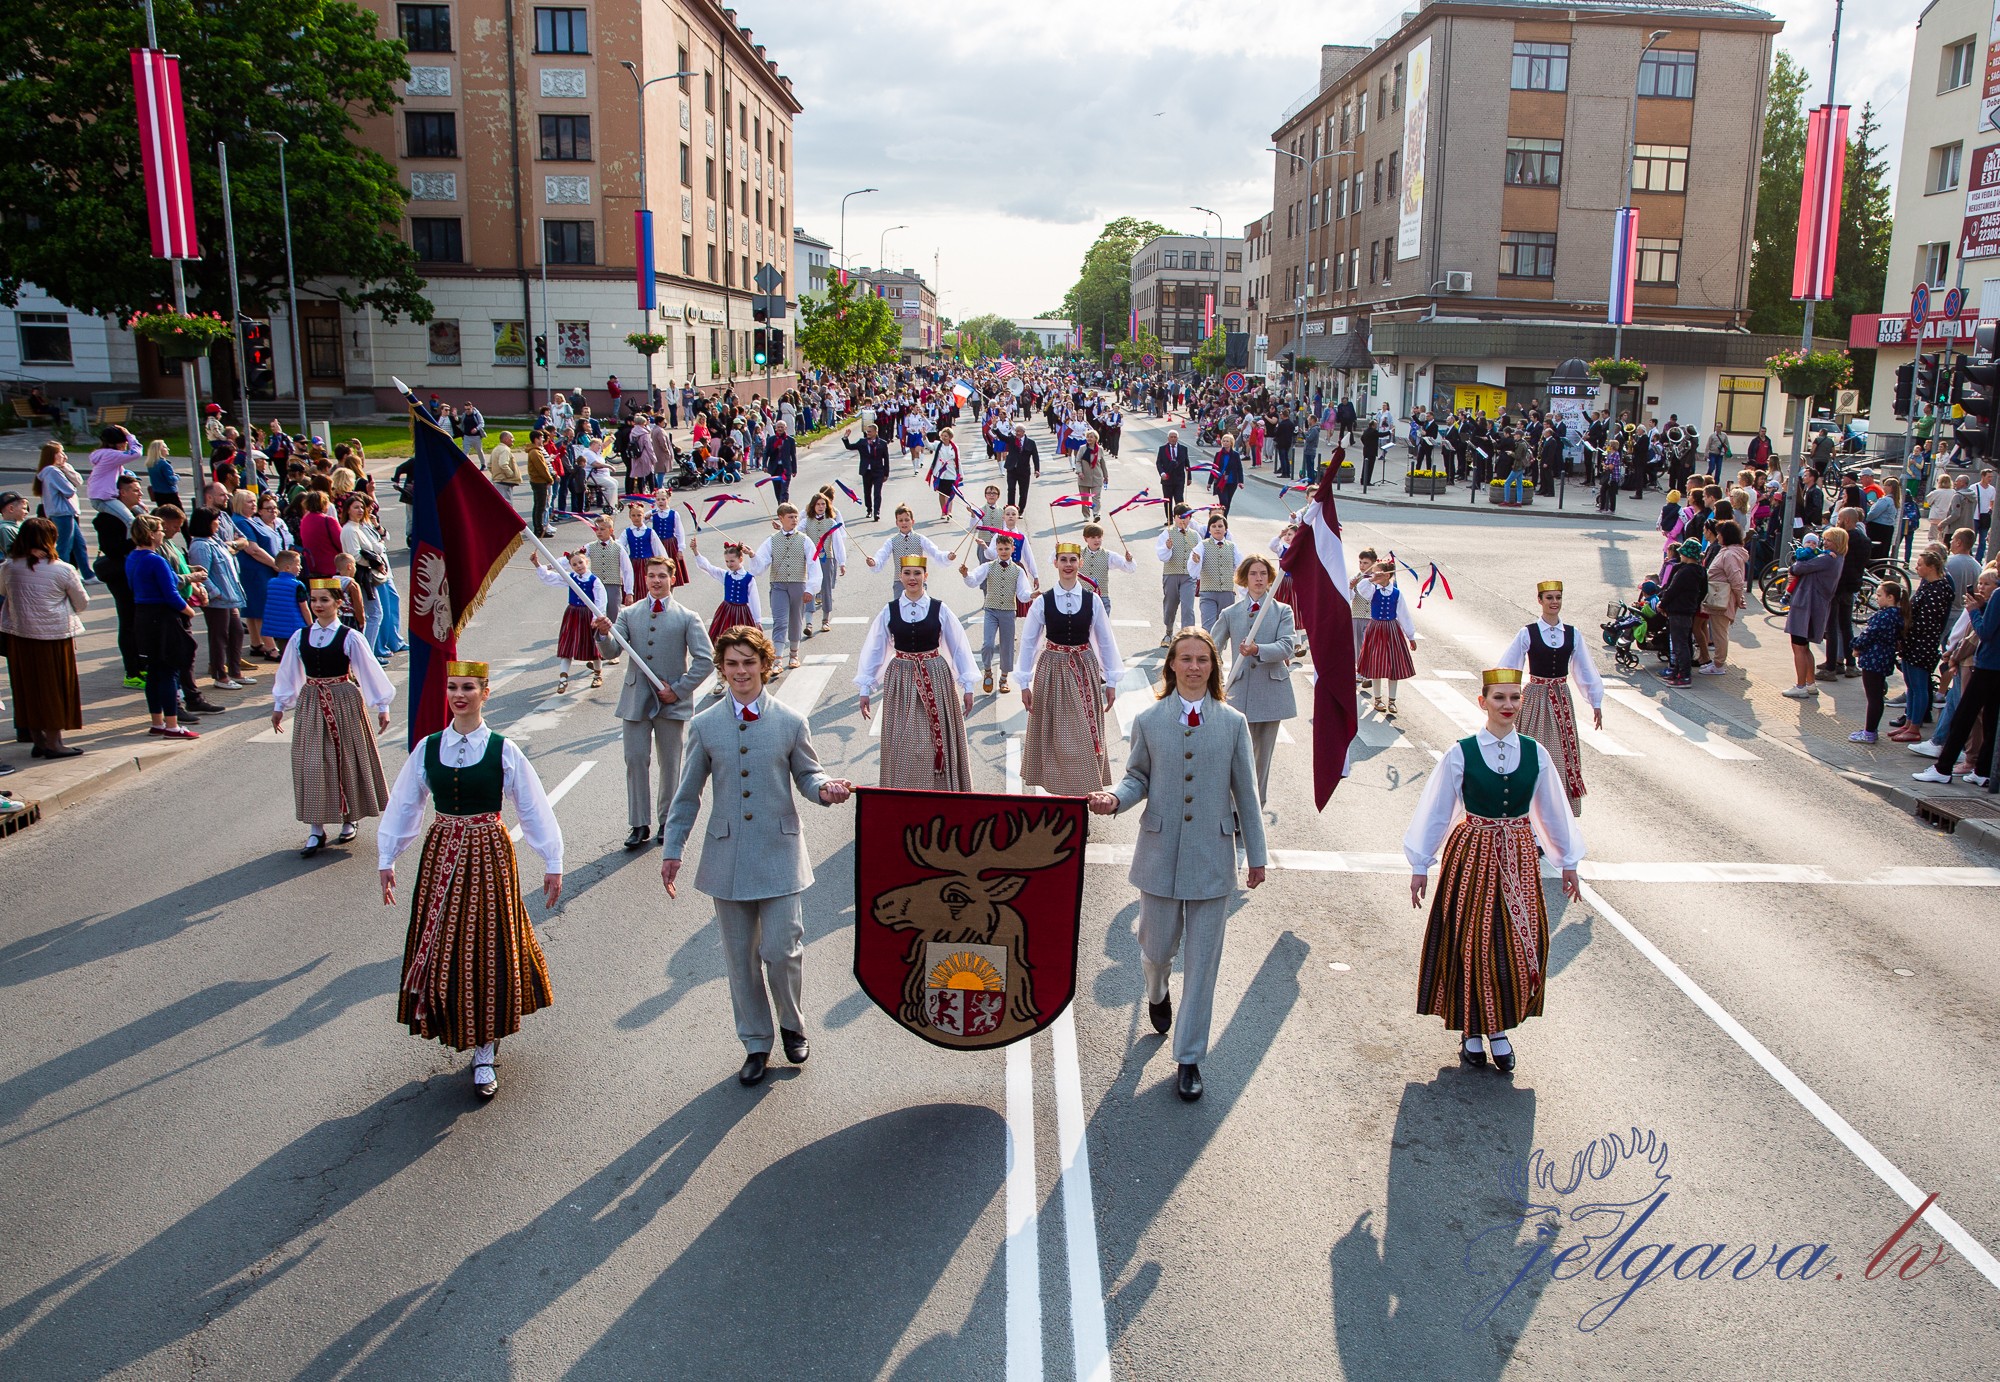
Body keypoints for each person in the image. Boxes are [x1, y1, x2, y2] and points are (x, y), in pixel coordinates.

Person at [660, 626, 855, 1086]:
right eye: (732, 664)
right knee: (739, 958)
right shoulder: (706, 725)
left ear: (764, 666)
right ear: (722, 670)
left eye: (749, 662)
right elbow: (686, 795)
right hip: (726, 860)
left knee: (781, 948)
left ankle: (792, 1023)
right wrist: (673, 848)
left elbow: (809, 776)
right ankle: (755, 1043)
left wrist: (826, 790)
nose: (741, 671)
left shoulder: (789, 721)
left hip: (780, 854)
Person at [1086, 628, 1267, 1103]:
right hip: (1159, 855)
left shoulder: (1232, 723)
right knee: (1155, 946)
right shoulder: (1149, 719)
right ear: (1171, 666)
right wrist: (1112, 798)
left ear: (1213, 667)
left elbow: (1247, 793)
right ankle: (1156, 990)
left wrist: (1258, 856)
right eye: (1184, 659)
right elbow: (1137, 777)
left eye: (1202, 660)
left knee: (1204, 964)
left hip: (1213, 857)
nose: (1193, 667)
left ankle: (1189, 1058)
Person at [378, 662, 562, 1099]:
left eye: (469, 688)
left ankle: (484, 1048)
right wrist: (387, 857)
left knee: (486, 947)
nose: (459, 695)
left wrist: (552, 860)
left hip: (488, 854)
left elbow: (532, 807)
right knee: (444, 945)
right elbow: (406, 804)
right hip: (442, 851)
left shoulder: (503, 749)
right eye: (453, 687)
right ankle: (452, 1021)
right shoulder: (429, 747)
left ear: (486, 693)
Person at [1405, 668, 1584, 1075]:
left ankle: (1499, 1027)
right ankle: (1472, 1031)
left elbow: (1552, 811)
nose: (1508, 706)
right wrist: (1420, 864)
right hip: (1473, 853)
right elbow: (1436, 811)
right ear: (1482, 702)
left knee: (1518, 943)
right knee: (1471, 941)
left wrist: (1567, 860)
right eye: (1499, 698)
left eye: (1514, 698)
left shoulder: (1535, 752)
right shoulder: (1461, 753)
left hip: (1519, 854)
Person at [271, 578, 394, 855]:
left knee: (346, 759)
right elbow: (289, 672)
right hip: (312, 701)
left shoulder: (350, 637)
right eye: (314, 600)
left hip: (344, 700)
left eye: (324, 600)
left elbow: (369, 670)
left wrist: (382, 706)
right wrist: (280, 705)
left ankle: (349, 818)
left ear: (339, 603)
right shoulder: (300, 636)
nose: (318, 605)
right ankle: (316, 829)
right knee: (312, 764)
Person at [598, 556, 714, 849]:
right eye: (651, 576)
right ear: (645, 578)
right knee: (635, 760)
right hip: (636, 700)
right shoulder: (629, 614)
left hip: (670, 703)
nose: (656, 581)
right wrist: (602, 633)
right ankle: (638, 824)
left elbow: (706, 660)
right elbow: (612, 652)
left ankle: (667, 821)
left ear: (672, 579)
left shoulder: (687, 617)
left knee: (670, 764)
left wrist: (678, 690)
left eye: (662, 576)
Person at [854, 555, 979, 790]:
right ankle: (905, 792)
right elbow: (875, 648)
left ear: (925, 576)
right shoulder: (889, 611)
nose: (912, 578)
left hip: (935, 675)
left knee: (933, 739)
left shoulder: (939, 609)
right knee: (904, 742)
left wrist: (968, 686)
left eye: (917, 573)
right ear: (900, 576)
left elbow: (958, 646)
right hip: (901, 679)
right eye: (908, 573)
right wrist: (865, 688)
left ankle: (941, 790)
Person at [1019, 542, 1123, 794]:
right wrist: (1024, 682)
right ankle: (1059, 791)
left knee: (1083, 733)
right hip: (1052, 669)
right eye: (1063, 559)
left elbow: (1105, 640)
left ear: (1080, 563)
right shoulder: (1043, 602)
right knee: (1055, 734)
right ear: (1055, 563)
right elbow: (1029, 642)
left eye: (1072, 560)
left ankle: (1084, 790)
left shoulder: (1092, 600)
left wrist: (1111, 680)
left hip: (1083, 669)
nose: (1068, 565)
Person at [1499, 581, 1605, 814]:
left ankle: (1557, 812)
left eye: (1558, 597)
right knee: (1531, 752)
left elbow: (1584, 668)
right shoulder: (1528, 632)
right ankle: (1526, 809)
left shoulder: (1572, 633)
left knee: (1561, 754)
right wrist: (1501, 699)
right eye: (1549, 598)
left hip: (1561, 697)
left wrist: (1595, 701)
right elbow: (1510, 664)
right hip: (1536, 696)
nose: (1554, 602)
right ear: (1540, 601)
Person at [1204, 554, 1297, 801]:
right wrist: (1217, 680)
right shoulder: (1231, 612)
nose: (1258, 579)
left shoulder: (1282, 611)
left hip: (1271, 694)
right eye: (1253, 574)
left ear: (1270, 579)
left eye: (1263, 574)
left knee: (1261, 759)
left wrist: (1258, 650)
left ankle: (1256, 807)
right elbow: (1212, 649)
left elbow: (1287, 646)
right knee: (1236, 755)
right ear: (1245, 578)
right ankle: (1233, 806)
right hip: (1240, 692)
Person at [0, 517, 88, 759]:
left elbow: (3, 592)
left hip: (19, 637)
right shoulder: (62, 569)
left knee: (27, 688)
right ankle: (54, 742)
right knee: (55, 688)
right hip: (54, 637)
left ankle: (38, 740)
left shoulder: (9, 566)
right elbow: (82, 602)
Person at [1914, 570, 2000, 786]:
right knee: (1990, 719)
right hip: (1995, 666)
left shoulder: (1999, 594)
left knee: (1964, 716)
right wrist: (1982, 607)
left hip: (1988, 664)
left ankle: (1943, 768)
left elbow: (1986, 632)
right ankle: (1983, 771)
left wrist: (1974, 611)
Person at [125, 514, 199, 739]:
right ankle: (172, 725)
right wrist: (189, 610)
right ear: (150, 534)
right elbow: (171, 593)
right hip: (163, 618)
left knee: (154, 672)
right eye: (158, 530)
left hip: (143, 616)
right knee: (169, 670)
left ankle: (157, 722)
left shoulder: (132, 557)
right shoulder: (156, 559)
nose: (162, 533)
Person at [746, 502, 821, 670]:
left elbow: (814, 564)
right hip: (778, 585)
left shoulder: (805, 540)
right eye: (790, 517)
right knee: (780, 621)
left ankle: (794, 655)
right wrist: (752, 555)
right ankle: (778, 659)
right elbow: (760, 565)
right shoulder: (771, 541)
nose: (794, 520)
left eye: (795, 517)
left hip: (798, 585)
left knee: (795, 619)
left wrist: (810, 588)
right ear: (781, 518)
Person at [1891, 550, 1955, 741]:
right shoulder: (1929, 586)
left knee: (1919, 687)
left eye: (1920, 565)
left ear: (1932, 567)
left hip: (1922, 644)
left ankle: (1914, 727)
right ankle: (1909, 723)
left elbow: (1926, 623)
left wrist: (1905, 633)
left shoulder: (1938, 590)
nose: (1917, 568)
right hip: (1913, 643)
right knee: (1911, 685)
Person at [187, 507, 252, 690]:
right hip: (217, 599)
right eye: (216, 520)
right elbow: (202, 573)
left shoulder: (214, 540)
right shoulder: (200, 545)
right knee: (219, 635)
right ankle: (219, 675)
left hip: (229, 597)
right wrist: (215, 593)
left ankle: (235, 671)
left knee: (236, 631)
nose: (218, 523)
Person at [961, 532, 1033, 694]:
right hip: (991, 610)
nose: (1003, 552)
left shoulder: (1018, 571)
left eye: (1006, 548)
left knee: (1007, 646)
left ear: (1012, 549)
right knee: (987, 644)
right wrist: (966, 574)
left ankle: (1004, 678)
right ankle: (987, 670)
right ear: (996, 549)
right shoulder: (989, 566)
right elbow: (974, 580)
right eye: (1000, 549)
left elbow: (1022, 593)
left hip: (1008, 611)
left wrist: (1031, 595)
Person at [531, 547, 608, 692]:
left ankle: (598, 674)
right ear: (571, 567)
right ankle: (563, 678)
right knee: (567, 646)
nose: (578, 566)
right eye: (574, 564)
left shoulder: (594, 581)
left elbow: (600, 601)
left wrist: (596, 618)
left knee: (593, 646)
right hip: (572, 614)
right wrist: (537, 564)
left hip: (588, 616)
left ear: (586, 562)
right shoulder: (570, 578)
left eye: (580, 562)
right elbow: (549, 577)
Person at [1781, 530, 1845, 698]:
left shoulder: (1827, 559)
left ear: (1837, 541)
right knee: (1805, 647)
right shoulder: (1836, 559)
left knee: (1798, 647)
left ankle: (1801, 685)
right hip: (1815, 605)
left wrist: (1794, 568)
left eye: (1828, 540)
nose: (1824, 543)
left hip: (1806, 605)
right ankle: (1810, 684)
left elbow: (1798, 567)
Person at [1356, 560, 1417, 716]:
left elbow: (1404, 615)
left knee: (1393, 666)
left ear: (1387, 575)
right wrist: (1371, 579)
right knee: (1376, 665)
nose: (1374, 574)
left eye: (1378, 572)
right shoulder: (1372, 590)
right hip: (1375, 629)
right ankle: (1377, 699)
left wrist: (1410, 636)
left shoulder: (1396, 593)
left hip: (1391, 630)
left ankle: (1392, 700)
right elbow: (1361, 588)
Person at [1849, 580, 1906, 745]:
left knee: (1873, 698)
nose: (1877, 598)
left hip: (1874, 659)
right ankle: (1870, 730)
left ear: (1890, 597)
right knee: (1876, 696)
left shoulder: (1884, 616)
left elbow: (1868, 635)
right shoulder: (1897, 614)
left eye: (1880, 595)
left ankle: (1869, 732)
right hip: (1883, 658)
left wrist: (1855, 645)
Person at [1656, 539, 1706, 687]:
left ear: (1687, 554)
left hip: (1678, 610)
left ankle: (1684, 676)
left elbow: (1672, 590)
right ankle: (1678, 672)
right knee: (1685, 642)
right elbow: (1704, 591)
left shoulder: (1684, 572)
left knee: (1680, 644)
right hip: (1689, 609)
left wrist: (1662, 604)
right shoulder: (1700, 571)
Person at [802, 489, 848, 636]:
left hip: (826, 558)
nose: (821, 507)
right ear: (813, 506)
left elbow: (838, 543)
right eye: (818, 504)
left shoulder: (831, 522)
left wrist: (841, 562)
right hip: (811, 560)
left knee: (826, 588)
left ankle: (825, 620)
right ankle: (808, 622)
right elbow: (796, 533)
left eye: (823, 504)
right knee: (809, 588)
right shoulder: (806, 522)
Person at [1186, 511, 1240, 630]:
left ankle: (1218, 648)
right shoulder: (1202, 545)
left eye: (1220, 526)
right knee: (1208, 626)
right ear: (1209, 530)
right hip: (1208, 592)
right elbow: (1193, 569)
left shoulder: (1232, 547)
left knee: (1223, 628)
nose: (1217, 529)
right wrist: (1195, 561)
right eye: (1214, 526)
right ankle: (1210, 648)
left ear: (1226, 529)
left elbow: (1240, 567)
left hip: (1227, 593)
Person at [1155, 504, 1200, 643]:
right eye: (1180, 517)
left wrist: (1197, 560)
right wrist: (1167, 548)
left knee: (1188, 607)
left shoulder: (1195, 535)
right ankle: (1168, 632)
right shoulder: (1167, 534)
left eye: (1186, 517)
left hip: (1189, 576)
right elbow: (1162, 556)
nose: (1183, 520)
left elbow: (1200, 555)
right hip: (1171, 574)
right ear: (1174, 518)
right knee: (1170, 605)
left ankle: (1188, 637)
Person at [581, 513, 635, 619]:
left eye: (602, 529)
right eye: (597, 529)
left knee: (613, 614)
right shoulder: (590, 547)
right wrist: (551, 566)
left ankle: (614, 635)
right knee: (594, 614)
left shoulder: (618, 548)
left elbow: (627, 570)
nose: (599, 532)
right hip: (594, 586)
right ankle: (595, 635)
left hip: (612, 586)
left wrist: (629, 592)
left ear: (611, 531)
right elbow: (574, 557)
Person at [1077, 522, 1136, 614]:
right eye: (1093, 537)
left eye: (1099, 537)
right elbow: (1059, 558)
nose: (1097, 540)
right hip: (1081, 597)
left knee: (1102, 627)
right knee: (1081, 627)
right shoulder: (1078, 553)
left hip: (1101, 598)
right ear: (1085, 539)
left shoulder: (1108, 555)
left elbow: (1129, 568)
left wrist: (1129, 560)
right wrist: (1058, 549)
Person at [843, 422, 891, 521]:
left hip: (878, 471)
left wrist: (886, 474)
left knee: (877, 493)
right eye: (867, 431)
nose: (868, 433)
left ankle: (877, 512)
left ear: (875, 432)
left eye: (870, 432)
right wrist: (845, 438)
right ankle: (869, 509)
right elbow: (849, 447)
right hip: (866, 472)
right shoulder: (862, 442)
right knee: (867, 492)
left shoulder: (882, 443)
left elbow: (886, 459)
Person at [929, 426, 963, 520]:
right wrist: (924, 438)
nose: (944, 438)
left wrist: (961, 474)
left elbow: (958, 461)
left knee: (950, 493)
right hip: (940, 473)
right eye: (942, 435)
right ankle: (943, 512)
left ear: (950, 437)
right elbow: (929, 446)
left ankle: (949, 512)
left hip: (951, 473)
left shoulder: (955, 447)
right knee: (942, 493)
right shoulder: (937, 445)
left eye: (946, 436)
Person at [1156, 429, 1190, 509]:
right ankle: (1169, 520)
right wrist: (1162, 473)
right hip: (1167, 479)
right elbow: (1158, 463)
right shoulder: (1162, 449)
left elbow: (1187, 464)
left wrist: (1189, 478)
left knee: (1179, 500)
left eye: (1175, 437)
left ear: (1177, 438)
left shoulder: (1183, 449)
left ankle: (1179, 518)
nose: (1173, 439)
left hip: (1179, 480)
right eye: (1171, 437)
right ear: (1168, 438)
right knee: (1167, 501)